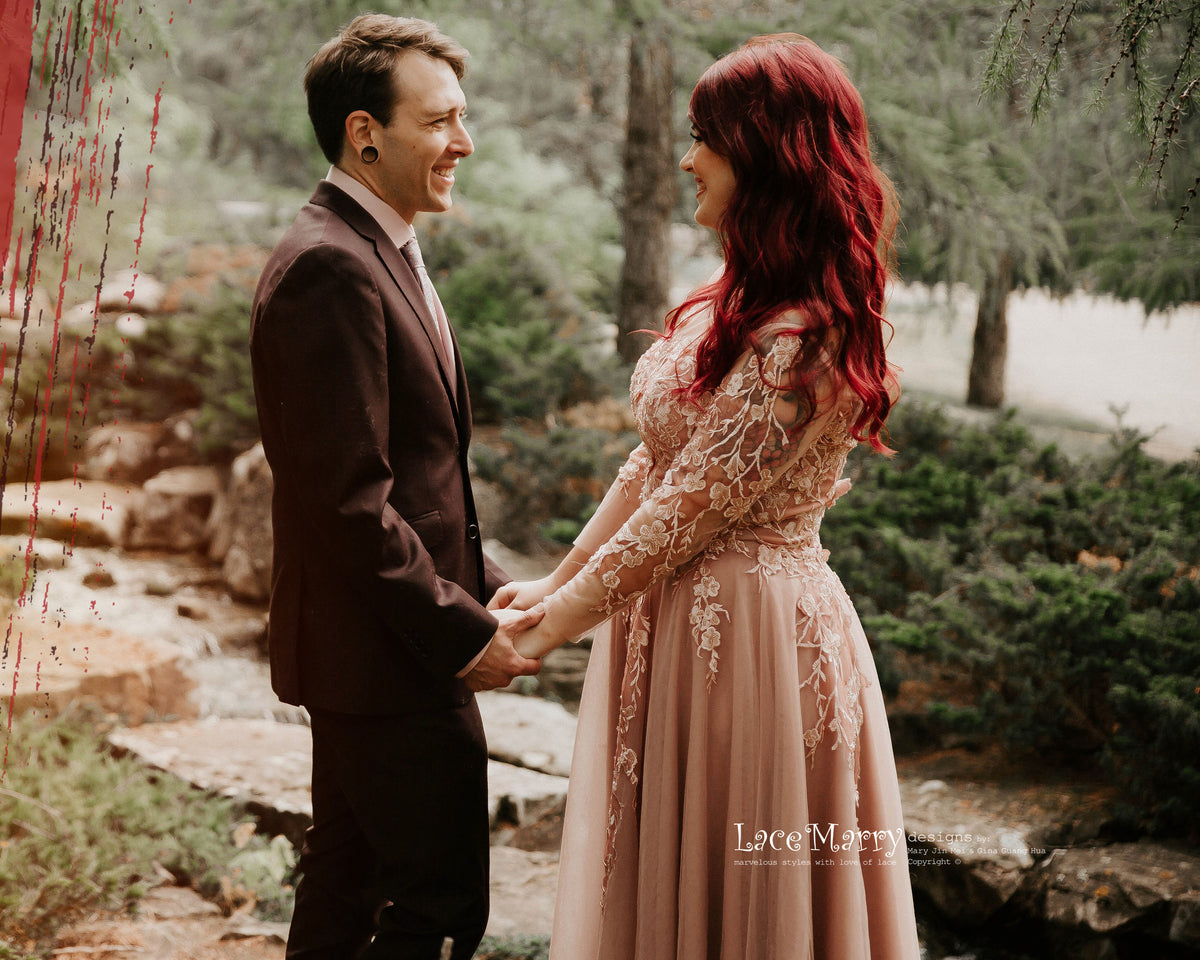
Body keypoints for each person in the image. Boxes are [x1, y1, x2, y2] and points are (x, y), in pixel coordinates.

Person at [492, 34, 921, 960]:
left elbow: (690, 505)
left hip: (757, 649)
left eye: (706, 138)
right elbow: (655, 467)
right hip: (674, 625)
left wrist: (541, 633)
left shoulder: (805, 338)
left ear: (768, 155)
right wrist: (556, 577)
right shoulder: (727, 306)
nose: (687, 159)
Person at [249, 15, 542, 960]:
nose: (465, 142)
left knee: (343, 891)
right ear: (365, 132)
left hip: (373, 651)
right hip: (388, 665)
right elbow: (347, 503)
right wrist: (459, 635)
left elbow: (413, 477)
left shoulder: (375, 246)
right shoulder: (330, 267)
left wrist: (484, 579)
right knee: (438, 909)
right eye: (442, 121)